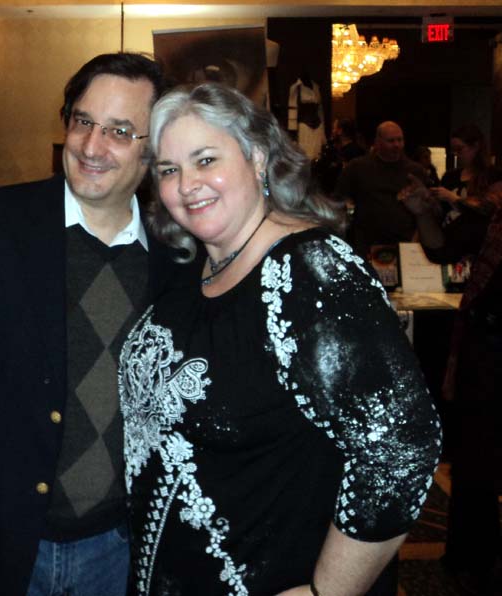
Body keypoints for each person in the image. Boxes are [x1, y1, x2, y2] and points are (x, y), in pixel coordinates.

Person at [0, 53, 190, 596]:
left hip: (120, 548)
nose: (92, 146)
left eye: (120, 131)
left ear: (153, 147)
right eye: (83, 121)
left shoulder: (178, 260)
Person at [118, 83, 442, 596]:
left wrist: (328, 591)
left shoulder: (311, 271)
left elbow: (401, 447)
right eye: (168, 169)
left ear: (257, 157)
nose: (186, 185)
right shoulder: (194, 265)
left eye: (205, 160)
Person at [399, 143, 502, 594]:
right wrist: (424, 213)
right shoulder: (491, 210)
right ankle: (471, 559)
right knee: (476, 459)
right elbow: (443, 249)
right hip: (488, 349)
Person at [335, 120, 428, 258]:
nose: (396, 145)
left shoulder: (416, 171)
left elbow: (427, 209)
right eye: (391, 141)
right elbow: (338, 201)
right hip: (367, 245)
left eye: (400, 140)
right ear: (378, 142)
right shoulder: (357, 168)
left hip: (406, 243)